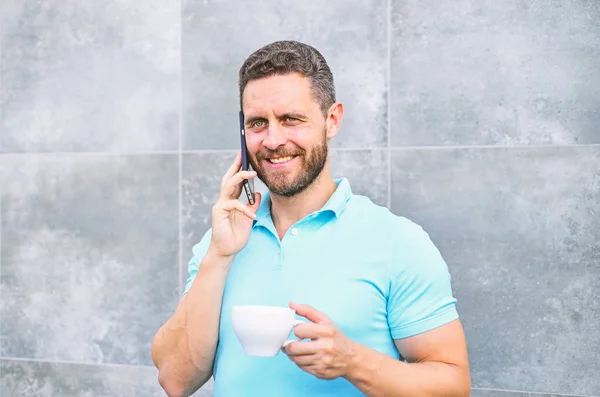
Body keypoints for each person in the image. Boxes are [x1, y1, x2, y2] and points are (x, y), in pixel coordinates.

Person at [151, 40, 471, 397]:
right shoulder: (220, 243)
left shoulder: (398, 242)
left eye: (291, 119)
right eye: (258, 123)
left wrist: (353, 362)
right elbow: (175, 380)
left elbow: (453, 386)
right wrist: (218, 256)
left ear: (331, 120)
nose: (273, 140)